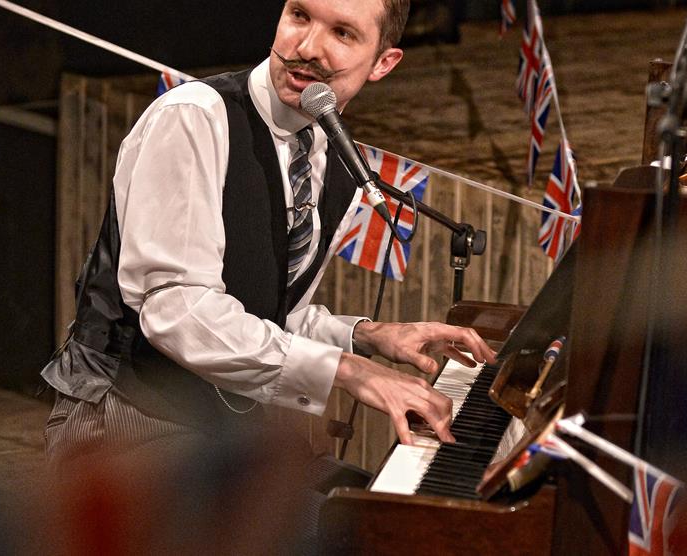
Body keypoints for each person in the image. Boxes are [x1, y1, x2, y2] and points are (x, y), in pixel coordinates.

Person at [41, 0, 496, 469]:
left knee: (379, 519)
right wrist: (348, 371)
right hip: (127, 421)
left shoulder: (334, 160)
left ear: (383, 62)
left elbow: (270, 313)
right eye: (299, 16)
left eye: (342, 33)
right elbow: (177, 309)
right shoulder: (193, 118)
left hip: (226, 429)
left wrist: (367, 336)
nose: (307, 47)